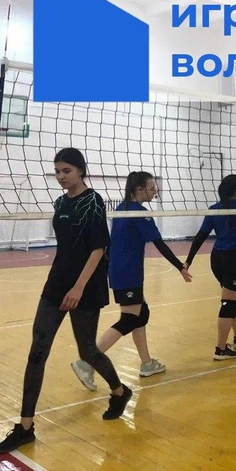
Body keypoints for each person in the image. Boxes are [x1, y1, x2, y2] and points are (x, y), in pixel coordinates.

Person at [0, 148, 131, 455]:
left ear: (80, 170)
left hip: (85, 286)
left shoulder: (93, 201)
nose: (60, 176)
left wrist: (78, 288)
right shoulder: (60, 202)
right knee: (38, 350)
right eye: (57, 171)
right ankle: (25, 427)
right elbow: (66, 247)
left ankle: (119, 391)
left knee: (87, 350)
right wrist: (62, 283)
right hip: (57, 283)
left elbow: (98, 248)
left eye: (66, 171)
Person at [71, 171, 192, 391]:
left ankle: (147, 363)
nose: (155, 191)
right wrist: (180, 266)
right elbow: (159, 243)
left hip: (121, 271)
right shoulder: (139, 213)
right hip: (128, 273)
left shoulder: (121, 209)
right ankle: (86, 362)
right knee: (129, 319)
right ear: (139, 189)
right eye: (152, 188)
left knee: (141, 314)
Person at [184, 174, 236, 360]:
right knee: (229, 302)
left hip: (217, 258)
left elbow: (201, 236)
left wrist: (189, 260)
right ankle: (221, 349)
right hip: (235, 258)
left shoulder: (214, 209)